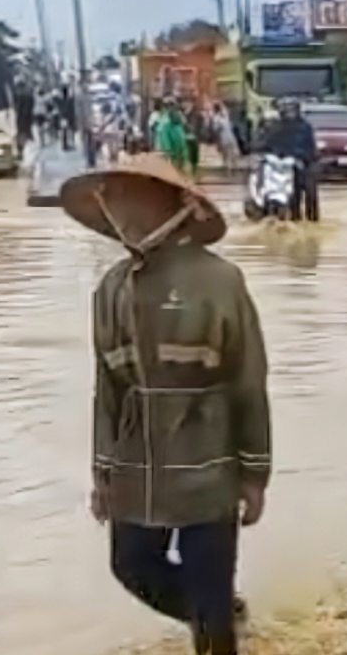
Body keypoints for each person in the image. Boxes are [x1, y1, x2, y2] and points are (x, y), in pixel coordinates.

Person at [60, 154, 272, 655]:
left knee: (210, 598)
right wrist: (103, 477)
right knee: (131, 566)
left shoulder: (221, 281)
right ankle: (223, 617)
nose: (115, 207)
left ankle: (217, 622)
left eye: (127, 193)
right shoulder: (110, 288)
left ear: (171, 202)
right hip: (137, 465)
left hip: (208, 464)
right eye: (108, 197)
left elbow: (249, 381)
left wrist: (254, 474)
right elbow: (106, 392)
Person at [261, 98, 319, 221]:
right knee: (265, 183)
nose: (289, 113)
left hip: (301, 163)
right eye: (286, 110)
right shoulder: (275, 127)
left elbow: (311, 147)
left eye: (291, 109)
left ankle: (311, 218)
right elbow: (266, 142)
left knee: (309, 189)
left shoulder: (305, 127)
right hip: (280, 164)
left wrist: (304, 156)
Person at [155, 99, 191, 173]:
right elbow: (164, 141)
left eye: (172, 106)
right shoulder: (166, 122)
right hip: (173, 153)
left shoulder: (175, 120)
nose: (171, 109)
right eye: (169, 106)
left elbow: (183, 134)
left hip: (177, 152)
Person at [212, 103, 241, 174]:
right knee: (229, 153)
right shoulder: (218, 117)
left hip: (227, 137)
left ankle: (232, 168)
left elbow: (215, 129)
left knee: (230, 153)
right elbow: (215, 129)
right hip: (226, 136)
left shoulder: (221, 116)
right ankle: (230, 169)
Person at [183, 100, 204, 177]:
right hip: (190, 138)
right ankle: (192, 172)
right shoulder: (186, 116)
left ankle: (193, 172)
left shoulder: (197, 116)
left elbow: (201, 126)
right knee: (191, 156)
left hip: (193, 138)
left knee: (193, 157)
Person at [59, 85, 77, 151]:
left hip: (63, 117)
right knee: (70, 131)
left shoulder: (60, 100)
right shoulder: (70, 100)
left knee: (64, 131)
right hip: (69, 117)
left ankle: (64, 145)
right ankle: (70, 144)